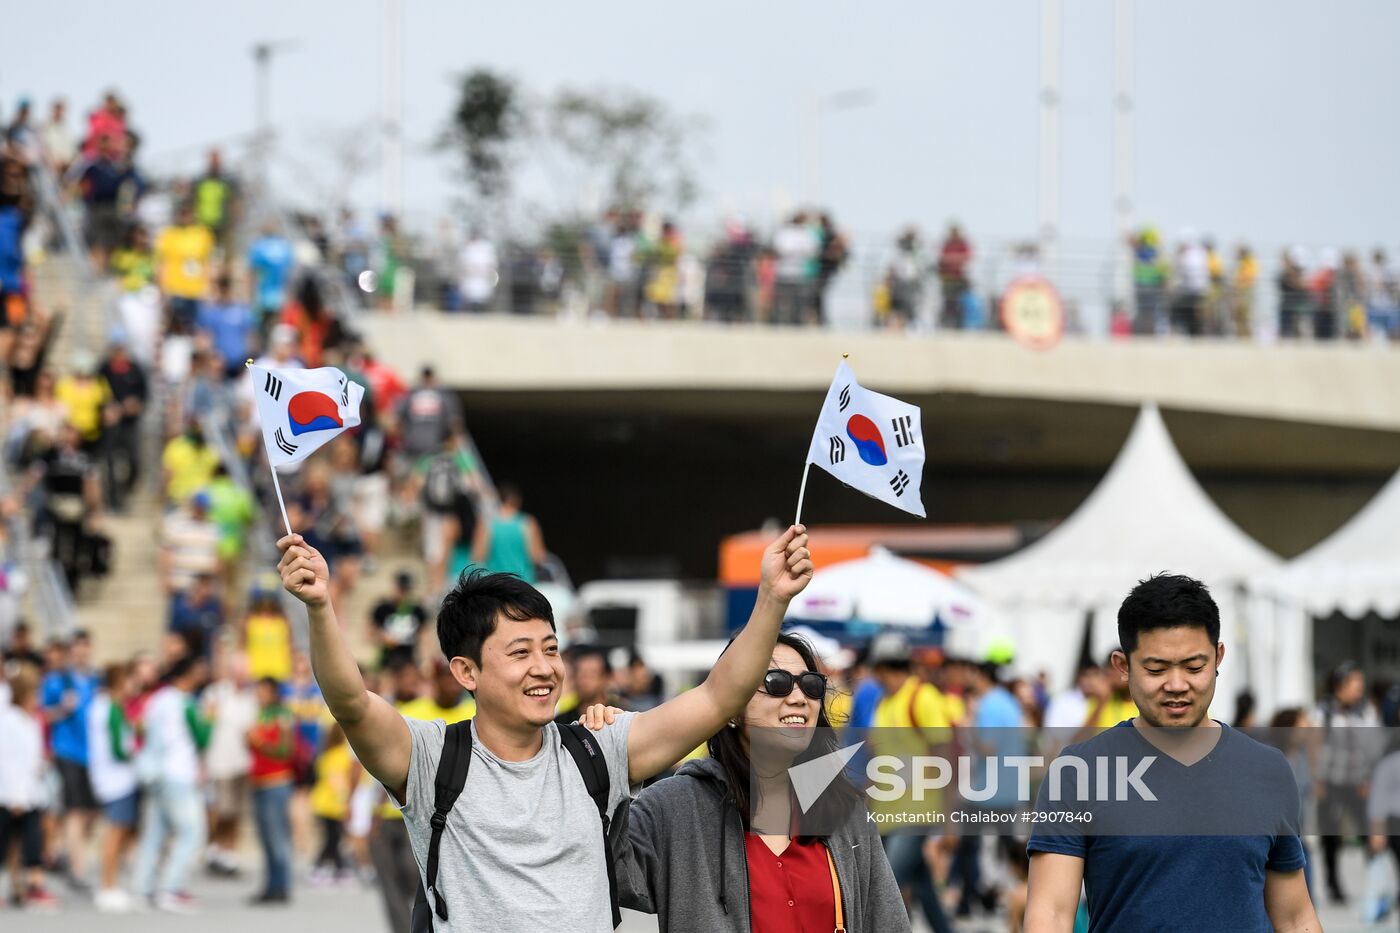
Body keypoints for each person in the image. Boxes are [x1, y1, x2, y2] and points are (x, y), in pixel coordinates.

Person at [274, 522, 813, 931]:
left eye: (550, 649)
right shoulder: (431, 758)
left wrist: (771, 598)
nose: (544, 668)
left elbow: (718, 696)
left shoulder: (600, 751)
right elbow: (351, 703)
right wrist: (320, 607)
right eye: (520, 652)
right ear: (466, 672)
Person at [1024, 573, 1319, 932]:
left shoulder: (1267, 770)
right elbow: (1051, 915)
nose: (1177, 685)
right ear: (1122, 666)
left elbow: (1295, 917)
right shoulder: (1078, 772)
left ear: (1218, 657)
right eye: (1156, 669)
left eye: (1194, 667)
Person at [580, 632, 910, 932]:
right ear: (732, 707)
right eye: (777, 682)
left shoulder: (845, 812)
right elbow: (597, 867)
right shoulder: (676, 808)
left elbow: (888, 923)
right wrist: (608, 758)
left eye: (811, 685)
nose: (799, 698)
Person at [131, 655, 210, 913]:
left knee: (154, 833)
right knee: (191, 831)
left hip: (155, 772)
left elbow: (143, 731)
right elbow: (202, 738)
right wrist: (211, 718)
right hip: (178, 774)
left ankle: (143, 889)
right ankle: (171, 888)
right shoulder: (185, 702)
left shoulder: (157, 699)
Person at [1314, 659, 1383, 904]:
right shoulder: (1323, 712)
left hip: (1358, 783)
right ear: (1340, 685)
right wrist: (1317, 780)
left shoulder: (1366, 711)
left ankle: (1377, 881)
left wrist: (1369, 779)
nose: (1359, 687)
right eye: (1355, 682)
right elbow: (1315, 747)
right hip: (1331, 782)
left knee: (1370, 833)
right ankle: (1333, 884)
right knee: (1331, 836)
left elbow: (1373, 748)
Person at [40, 630, 100, 889]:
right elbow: (43, 714)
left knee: (92, 812)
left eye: (85, 646)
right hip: (67, 751)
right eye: (77, 646)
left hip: (93, 754)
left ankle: (65, 850)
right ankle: (78, 869)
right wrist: (62, 708)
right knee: (74, 810)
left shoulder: (96, 680)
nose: (82, 651)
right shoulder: (58, 681)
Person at [0, 664, 60, 910]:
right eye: (34, 693)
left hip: (32, 793)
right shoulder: (8, 721)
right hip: (11, 795)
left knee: (31, 841)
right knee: (4, 843)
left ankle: (31, 886)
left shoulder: (32, 721)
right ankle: (16, 886)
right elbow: (6, 761)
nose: (38, 699)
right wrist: (15, 795)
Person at [86, 662, 140, 912]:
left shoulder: (102, 706)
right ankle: (108, 885)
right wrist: (137, 750)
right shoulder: (112, 708)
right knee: (114, 834)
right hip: (116, 779)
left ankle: (111, 883)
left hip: (108, 777)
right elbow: (120, 748)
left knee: (117, 834)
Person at [202, 648, 257, 880]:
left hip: (242, 762)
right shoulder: (216, 693)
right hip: (218, 761)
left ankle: (230, 851)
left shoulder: (251, 698)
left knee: (236, 811)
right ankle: (215, 846)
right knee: (221, 810)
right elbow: (205, 725)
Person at [247, 676, 296, 905]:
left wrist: (259, 743)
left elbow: (285, 750)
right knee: (265, 837)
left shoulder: (281, 715)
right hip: (258, 782)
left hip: (276, 783)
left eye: (264, 691)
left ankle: (281, 885)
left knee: (277, 836)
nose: (259, 695)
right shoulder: (260, 714)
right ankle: (270, 885)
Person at [309, 721, 361, 885]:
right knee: (333, 837)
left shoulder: (325, 754)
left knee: (333, 837)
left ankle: (338, 867)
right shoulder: (343, 755)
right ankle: (322, 865)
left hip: (321, 802)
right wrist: (346, 802)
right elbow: (338, 783)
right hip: (334, 804)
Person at [155, 201, 214, 335]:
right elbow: (162, 264)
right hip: (175, 290)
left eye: (187, 212)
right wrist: (163, 288)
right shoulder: (168, 234)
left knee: (196, 330)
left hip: (196, 291)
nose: (185, 216)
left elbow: (207, 263)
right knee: (176, 331)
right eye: (182, 213)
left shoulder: (203, 234)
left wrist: (208, 286)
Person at [470, 481, 544, 583]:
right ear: (517, 500)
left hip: (496, 584)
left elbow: (477, 556)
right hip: (523, 583)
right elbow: (537, 557)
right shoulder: (528, 523)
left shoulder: (487, 524)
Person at [372, 570, 428, 670]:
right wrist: (383, 637)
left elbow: (424, 636)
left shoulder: (417, 610)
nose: (404, 593)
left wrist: (425, 659)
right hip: (387, 661)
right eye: (402, 589)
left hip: (409, 661)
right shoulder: (383, 609)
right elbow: (370, 633)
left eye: (406, 590)